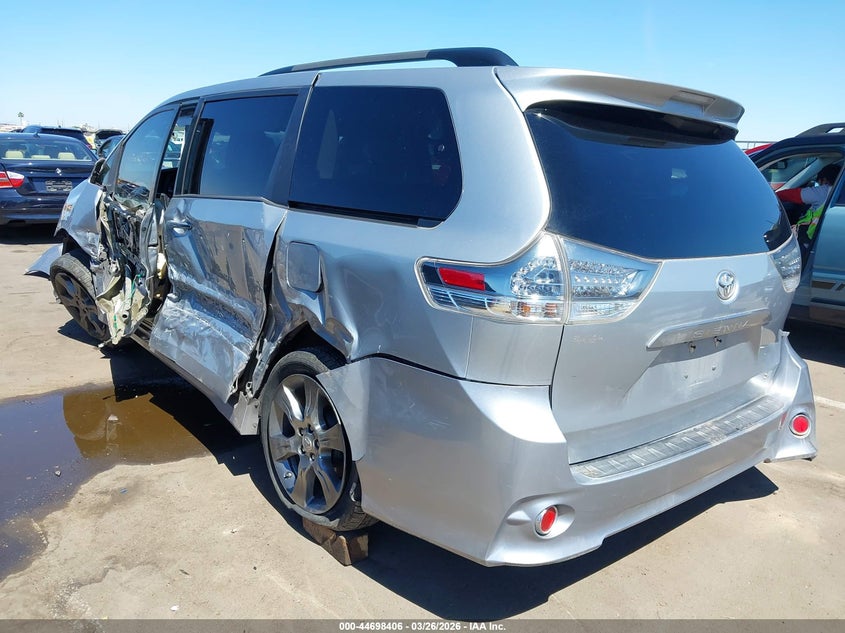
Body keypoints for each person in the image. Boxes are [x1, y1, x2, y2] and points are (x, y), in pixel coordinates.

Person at [776, 163, 841, 244]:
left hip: (809, 239)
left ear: (824, 180)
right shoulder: (839, 192)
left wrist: (773, 195)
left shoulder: (824, 191)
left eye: (819, 183)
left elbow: (794, 195)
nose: (818, 186)